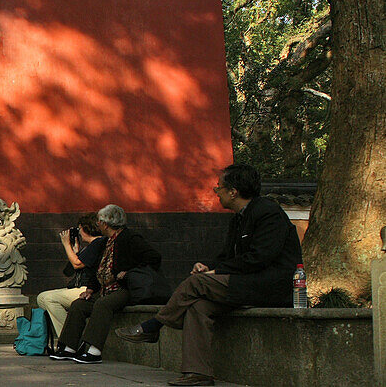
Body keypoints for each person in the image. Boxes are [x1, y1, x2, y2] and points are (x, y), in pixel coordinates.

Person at [115, 163, 303, 387]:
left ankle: (154, 326)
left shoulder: (267, 212)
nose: (216, 192)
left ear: (233, 191)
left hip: (268, 285)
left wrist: (217, 271)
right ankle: (198, 373)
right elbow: (226, 256)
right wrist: (208, 266)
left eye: (219, 188)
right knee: (198, 307)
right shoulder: (238, 218)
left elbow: (260, 257)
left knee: (196, 284)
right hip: (242, 284)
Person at [49, 204, 161, 364]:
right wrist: (90, 289)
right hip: (104, 289)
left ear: (107, 224)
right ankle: (69, 348)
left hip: (124, 289)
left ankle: (94, 350)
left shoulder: (130, 238)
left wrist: (129, 271)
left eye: (100, 221)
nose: (98, 224)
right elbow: (98, 268)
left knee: (103, 304)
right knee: (79, 305)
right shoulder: (105, 242)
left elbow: (154, 257)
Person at [35, 213, 105, 349]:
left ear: (86, 228)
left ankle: (70, 340)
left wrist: (66, 244)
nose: (79, 233)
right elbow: (69, 271)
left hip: (88, 289)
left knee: (49, 299)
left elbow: (77, 264)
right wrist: (75, 251)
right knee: (42, 298)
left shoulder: (98, 243)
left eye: (79, 229)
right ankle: (69, 335)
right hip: (79, 287)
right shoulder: (90, 246)